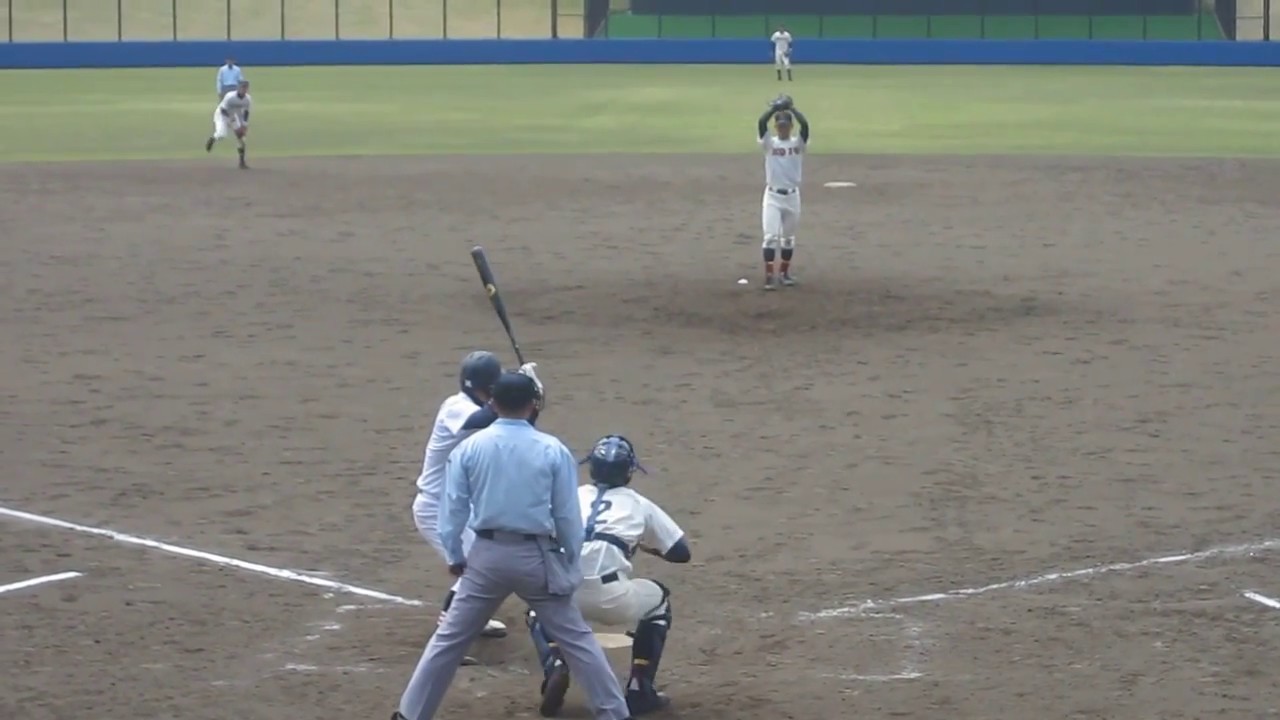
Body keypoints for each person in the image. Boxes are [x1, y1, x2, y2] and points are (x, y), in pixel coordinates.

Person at [392, 373, 633, 720]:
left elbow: (453, 509)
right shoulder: (553, 450)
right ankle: (614, 714)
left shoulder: (469, 449)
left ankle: (410, 715)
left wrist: (456, 554)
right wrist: (568, 558)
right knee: (578, 641)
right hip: (537, 557)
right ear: (533, 405)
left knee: (448, 641)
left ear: (492, 403)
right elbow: (566, 516)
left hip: (486, 557)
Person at [529, 435, 690, 718]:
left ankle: (554, 660)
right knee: (658, 601)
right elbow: (681, 552)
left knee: (536, 606)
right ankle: (640, 687)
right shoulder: (639, 504)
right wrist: (642, 546)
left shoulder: (570, 494)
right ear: (628, 472)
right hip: (613, 597)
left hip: (565, 592)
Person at [411, 351, 545, 662]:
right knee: (477, 570)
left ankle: (474, 618)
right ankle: (449, 638)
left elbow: (521, 422)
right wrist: (522, 386)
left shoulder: (489, 406)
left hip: (462, 507)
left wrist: (530, 394)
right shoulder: (456, 408)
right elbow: (483, 418)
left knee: (488, 565)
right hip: (436, 507)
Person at [756, 96, 810, 290]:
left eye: (786, 125)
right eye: (779, 125)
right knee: (770, 237)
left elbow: (805, 126)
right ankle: (770, 277)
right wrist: (774, 109)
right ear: (776, 126)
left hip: (792, 197)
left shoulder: (798, 144)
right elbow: (761, 123)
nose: (782, 128)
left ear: (790, 126)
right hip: (772, 197)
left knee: (788, 238)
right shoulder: (769, 144)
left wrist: (792, 109)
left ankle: (784, 273)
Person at [206, 80, 252, 170]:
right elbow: (223, 109)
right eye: (242, 87)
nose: (243, 90)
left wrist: (244, 125)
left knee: (241, 138)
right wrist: (231, 120)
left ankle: (242, 162)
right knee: (222, 134)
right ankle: (212, 139)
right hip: (222, 115)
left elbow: (246, 112)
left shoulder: (247, 99)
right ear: (238, 88)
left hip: (233, 116)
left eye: (245, 88)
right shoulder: (230, 96)